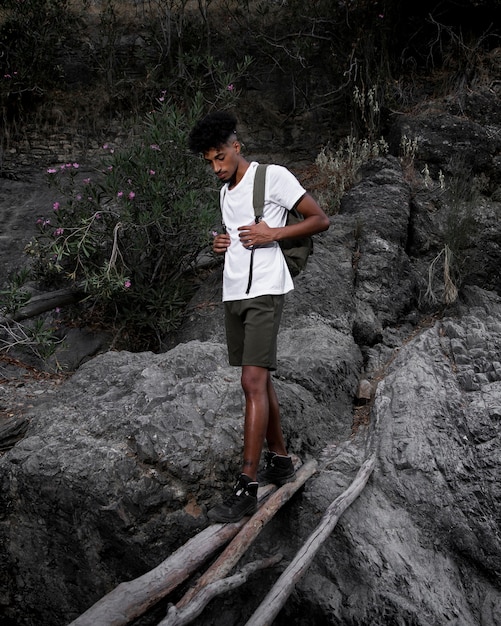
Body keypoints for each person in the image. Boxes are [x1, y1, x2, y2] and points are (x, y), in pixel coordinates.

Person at [188, 111, 330, 523]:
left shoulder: (274, 177)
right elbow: (235, 235)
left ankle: (246, 485)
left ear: (236, 146)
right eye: (209, 162)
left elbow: (320, 220)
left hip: (266, 289)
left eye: (220, 158)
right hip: (234, 290)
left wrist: (273, 234)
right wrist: (222, 243)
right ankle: (281, 461)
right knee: (260, 380)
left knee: (251, 380)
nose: (216, 168)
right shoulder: (225, 191)